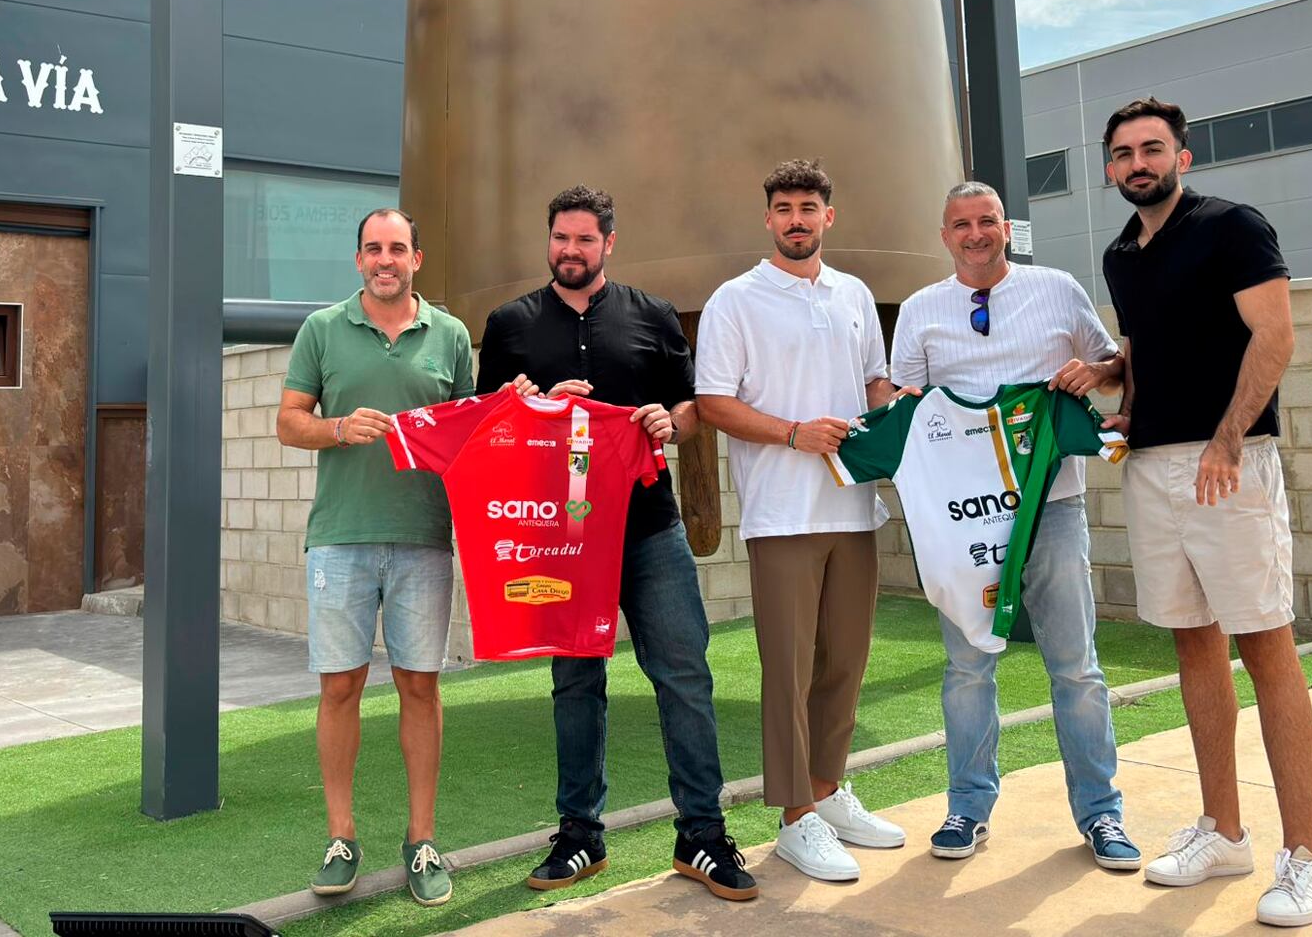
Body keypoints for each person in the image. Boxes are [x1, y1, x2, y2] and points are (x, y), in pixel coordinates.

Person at [478, 184, 757, 902]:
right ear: (549, 242)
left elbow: (693, 407)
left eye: (584, 239)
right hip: (562, 540)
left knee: (684, 676)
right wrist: (527, 405)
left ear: (609, 243)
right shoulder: (508, 324)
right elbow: (489, 428)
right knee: (576, 684)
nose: (571, 251)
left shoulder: (653, 315)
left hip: (649, 526)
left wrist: (673, 421)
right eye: (560, 239)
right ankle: (580, 836)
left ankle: (701, 833)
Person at [1098, 97, 1312, 927]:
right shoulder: (1121, 253)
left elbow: (1274, 336)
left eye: (1151, 149)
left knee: (1267, 647)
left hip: (1229, 465)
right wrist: (1111, 383)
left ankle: (1304, 857)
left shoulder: (1234, 225)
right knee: (1194, 644)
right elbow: (1145, 352)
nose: (1137, 164)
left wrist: (1229, 440)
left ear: (1182, 157)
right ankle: (1223, 831)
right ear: (1110, 168)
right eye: (1122, 153)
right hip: (1152, 467)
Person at [890, 181, 1140, 868]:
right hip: (964, 521)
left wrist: (1095, 372)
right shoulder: (920, 310)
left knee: (1077, 668)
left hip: (1052, 506)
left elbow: (1116, 369)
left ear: (1007, 227)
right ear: (945, 234)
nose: (976, 234)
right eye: (962, 224)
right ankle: (967, 808)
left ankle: (1101, 814)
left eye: (988, 221)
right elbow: (900, 397)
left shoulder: (1057, 289)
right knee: (968, 667)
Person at [695, 159, 910, 883]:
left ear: (829, 216)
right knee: (788, 670)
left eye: (808, 207)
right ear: (768, 220)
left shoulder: (853, 293)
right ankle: (794, 819)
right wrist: (793, 434)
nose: (796, 218)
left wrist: (897, 401)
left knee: (845, 662)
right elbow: (716, 402)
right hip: (781, 514)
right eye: (784, 207)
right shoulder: (736, 300)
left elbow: (872, 382)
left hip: (854, 506)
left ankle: (827, 791)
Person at [277, 207, 474, 908]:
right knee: (340, 689)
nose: (384, 259)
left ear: (417, 257)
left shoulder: (449, 335)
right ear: (358, 260)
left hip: (424, 538)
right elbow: (287, 420)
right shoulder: (322, 329)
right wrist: (336, 427)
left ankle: (422, 839)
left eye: (397, 248)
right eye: (372, 249)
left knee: (421, 688)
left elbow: (467, 433)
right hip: (340, 539)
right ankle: (341, 837)